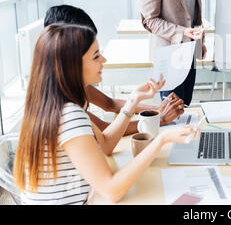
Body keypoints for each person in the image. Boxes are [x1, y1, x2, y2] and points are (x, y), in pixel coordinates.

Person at [13, 23, 200, 204]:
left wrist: (134, 99)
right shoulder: (70, 115)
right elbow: (112, 191)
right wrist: (161, 139)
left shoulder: (53, 105)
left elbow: (104, 145)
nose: (104, 60)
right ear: (73, 66)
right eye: (96, 56)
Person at [44, 5, 185, 135]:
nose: (103, 59)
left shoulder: (70, 78)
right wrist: (159, 119)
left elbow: (109, 104)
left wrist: (156, 110)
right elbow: (105, 131)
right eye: (94, 54)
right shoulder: (62, 101)